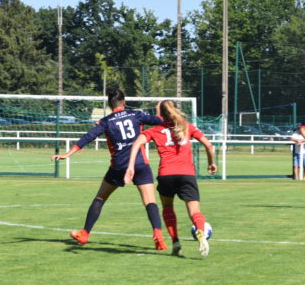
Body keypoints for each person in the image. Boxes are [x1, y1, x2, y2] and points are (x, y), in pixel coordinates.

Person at [52, 87, 166, 249]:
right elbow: (160, 121)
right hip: (140, 164)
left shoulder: (106, 121)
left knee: (100, 198)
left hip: (119, 167)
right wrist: (158, 111)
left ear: (109, 104)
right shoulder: (136, 115)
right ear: (124, 102)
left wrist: (68, 153)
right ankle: (158, 234)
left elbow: (89, 136)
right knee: (150, 201)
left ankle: (85, 234)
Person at [124, 100, 217, 257]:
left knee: (168, 208)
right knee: (194, 211)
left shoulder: (155, 130)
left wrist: (131, 166)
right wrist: (211, 163)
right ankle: (200, 232)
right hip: (186, 174)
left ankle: (175, 242)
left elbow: (136, 144)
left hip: (166, 174)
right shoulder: (186, 126)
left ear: (160, 114)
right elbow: (208, 145)